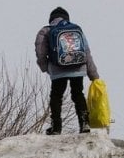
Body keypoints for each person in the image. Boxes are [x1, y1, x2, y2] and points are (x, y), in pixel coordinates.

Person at [35, 7, 99, 135]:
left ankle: (56, 127)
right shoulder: (76, 29)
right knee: (78, 94)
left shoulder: (46, 31)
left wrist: (45, 67)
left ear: (51, 19)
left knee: (56, 97)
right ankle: (84, 123)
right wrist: (94, 75)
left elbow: (40, 52)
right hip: (78, 68)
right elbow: (86, 52)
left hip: (58, 69)